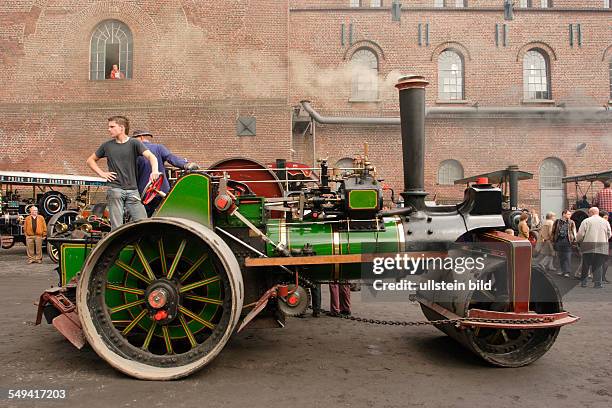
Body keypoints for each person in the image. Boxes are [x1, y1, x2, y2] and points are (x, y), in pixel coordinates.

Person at [87, 116, 160, 230]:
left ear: (121, 128)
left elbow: (152, 157)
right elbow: (90, 160)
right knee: (116, 228)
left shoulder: (134, 143)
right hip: (115, 190)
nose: (109, 129)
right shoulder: (107, 146)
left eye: (112, 127)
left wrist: (154, 171)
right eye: (109, 127)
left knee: (144, 223)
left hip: (133, 191)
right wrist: (102, 173)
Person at [132, 130, 199, 216]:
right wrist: (186, 165)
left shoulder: (134, 151)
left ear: (140, 138)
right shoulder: (158, 148)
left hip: (143, 193)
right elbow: (171, 158)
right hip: (162, 190)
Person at [576, 207, 611, 288]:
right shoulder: (605, 222)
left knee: (586, 264)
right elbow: (609, 234)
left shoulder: (586, 221)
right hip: (602, 245)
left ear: (590, 213)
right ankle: (598, 283)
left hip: (588, 245)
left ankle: (584, 283)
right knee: (598, 265)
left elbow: (580, 234)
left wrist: (578, 240)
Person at [551, 209, 576, 277]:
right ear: (564, 214)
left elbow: (574, 232)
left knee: (567, 256)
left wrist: (574, 240)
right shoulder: (557, 221)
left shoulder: (571, 222)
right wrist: (553, 241)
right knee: (560, 256)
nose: (569, 215)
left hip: (567, 241)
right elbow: (553, 231)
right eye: (568, 214)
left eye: (570, 214)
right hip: (559, 241)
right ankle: (562, 270)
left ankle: (567, 272)